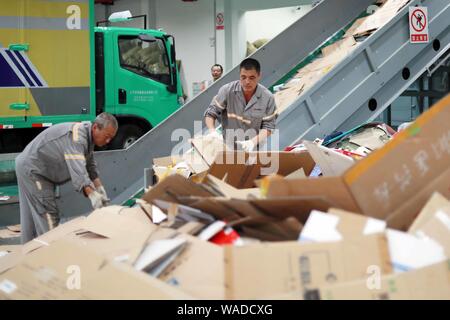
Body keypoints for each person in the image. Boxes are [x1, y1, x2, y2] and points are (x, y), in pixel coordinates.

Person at [15, 112, 118, 243]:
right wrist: (93, 196)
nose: (108, 141)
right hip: (35, 170)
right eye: (107, 136)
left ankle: (27, 255)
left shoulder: (88, 137)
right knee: (48, 215)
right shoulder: (77, 137)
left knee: (30, 218)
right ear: (95, 127)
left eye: (111, 138)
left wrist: (100, 189)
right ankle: (50, 256)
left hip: (31, 167)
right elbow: (79, 173)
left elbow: (90, 166)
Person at [204, 58, 277, 151]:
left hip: (253, 149)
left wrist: (252, 142)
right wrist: (212, 131)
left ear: (259, 76)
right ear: (239, 76)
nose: (247, 81)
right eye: (243, 77)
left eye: (252, 78)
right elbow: (211, 112)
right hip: (229, 148)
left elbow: (269, 126)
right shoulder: (227, 91)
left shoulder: (267, 97)